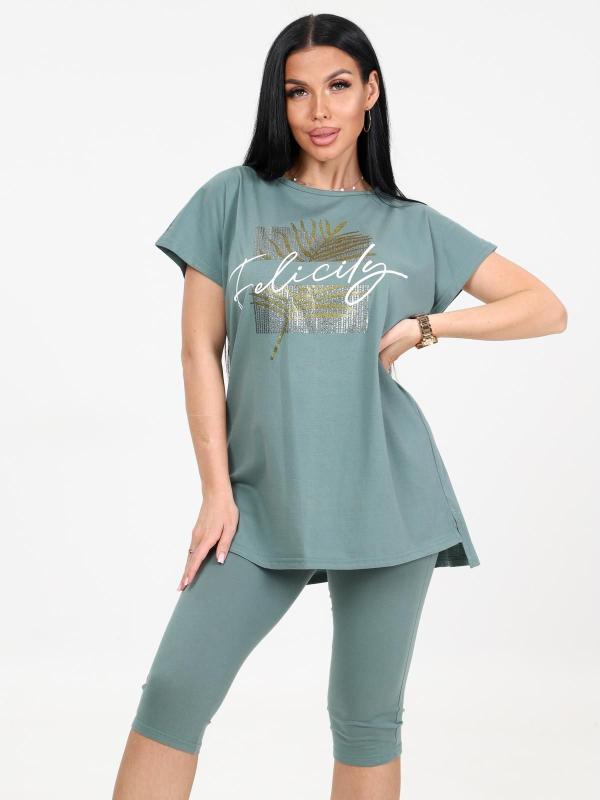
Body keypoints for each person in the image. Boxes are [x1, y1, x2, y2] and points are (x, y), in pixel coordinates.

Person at [112, 13, 567, 800]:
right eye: (297, 92)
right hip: (257, 502)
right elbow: (198, 352)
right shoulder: (231, 199)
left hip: (386, 498)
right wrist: (216, 491)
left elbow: (545, 307)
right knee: (175, 694)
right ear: (278, 101)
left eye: (339, 86)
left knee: (365, 721)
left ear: (371, 93)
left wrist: (429, 326)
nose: (319, 110)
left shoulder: (411, 225)